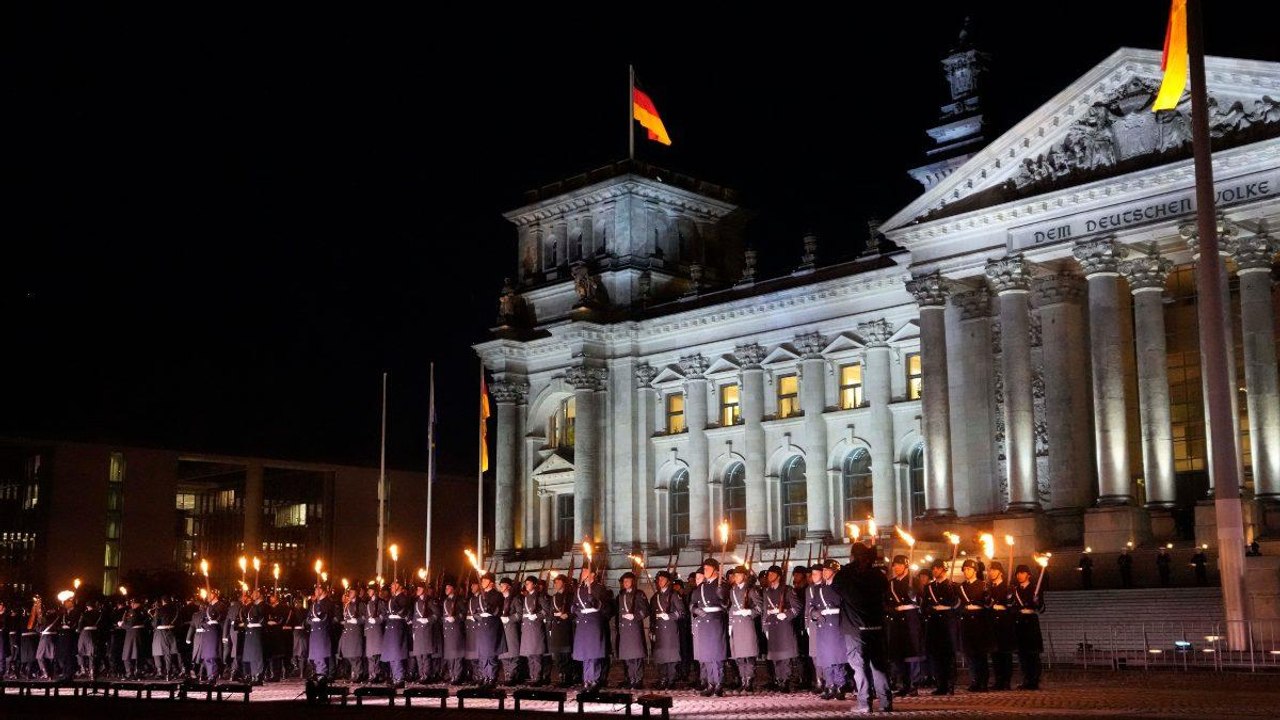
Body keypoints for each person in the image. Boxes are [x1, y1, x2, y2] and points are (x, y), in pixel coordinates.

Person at [834, 544, 893, 715]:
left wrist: (851, 565)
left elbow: (835, 585)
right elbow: (884, 589)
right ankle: (885, 701)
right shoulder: (877, 575)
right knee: (879, 665)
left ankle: (864, 701)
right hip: (876, 626)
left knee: (859, 666)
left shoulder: (847, 575)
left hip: (855, 628)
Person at [884, 554, 925, 697]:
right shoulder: (891, 583)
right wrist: (892, 609)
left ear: (906, 566)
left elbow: (921, 601)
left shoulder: (915, 582)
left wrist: (914, 598)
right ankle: (905, 684)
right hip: (896, 621)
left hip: (911, 620)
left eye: (899, 565)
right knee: (899, 654)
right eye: (894, 565)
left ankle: (914, 684)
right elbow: (886, 603)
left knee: (913, 653)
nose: (896, 568)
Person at [689, 558, 729, 697]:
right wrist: (697, 611)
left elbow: (726, 606)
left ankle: (719, 684)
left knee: (716, 656)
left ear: (715, 569)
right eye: (704, 568)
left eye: (707, 568)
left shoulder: (722, 585)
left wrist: (722, 595)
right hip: (703, 625)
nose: (705, 571)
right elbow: (692, 603)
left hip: (715, 623)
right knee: (706, 656)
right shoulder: (701, 587)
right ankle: (710, 683)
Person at [809, 559, 847, 701]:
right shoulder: (819, 589)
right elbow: (812, 606)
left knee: (837, 658)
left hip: (836, 624)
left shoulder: (840, 588)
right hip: (823, 626)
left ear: (834, 571)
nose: (824, 573)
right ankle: (829, 685)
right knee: (825, 658)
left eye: (827, 570)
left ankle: (840, 685)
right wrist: (815, 614)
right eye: (823, 570)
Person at [571, 564, 612, 691]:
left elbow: (607, 608)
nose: (583, 573)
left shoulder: (600, 588)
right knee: (585, 654)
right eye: (582, 570)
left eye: (585, 571)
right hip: (583, 622)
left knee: (594, 653)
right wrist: (576, 611)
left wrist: (596, 603)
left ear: (593, 574)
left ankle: (594, 679)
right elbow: (574, 605)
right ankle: (586, 680)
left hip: (594, 622)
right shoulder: (579, 589)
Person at [760, 565, 799, 692]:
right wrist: (765, 626)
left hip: (784, 626)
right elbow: (765, 610)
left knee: (785, 656)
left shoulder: (787, 590)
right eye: (768, 574)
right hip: (772, 625)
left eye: (772, 574)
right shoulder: (766, 591)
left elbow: (797, 607)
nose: (769, 576)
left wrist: (786, 614)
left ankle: (786, 680)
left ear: (778, 576)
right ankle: (779, 680)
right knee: (775, 655)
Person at [923, 559, 958, 696]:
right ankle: (940, 684)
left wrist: (948, 603)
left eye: (938, 568)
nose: (935, 571)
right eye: (934, 568)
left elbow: (956, 605)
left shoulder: (953, 586)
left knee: (948, 656)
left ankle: (950, 684)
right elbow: (924, 605)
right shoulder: (929, 587)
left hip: (947, 624)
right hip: (934, 624)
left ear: (944, 569)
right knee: (936, 656)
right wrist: (929, 610)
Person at [957, 558, 992, 692]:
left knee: (980, 654)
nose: (967, 571)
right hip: (967, 622)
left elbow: (988, 605)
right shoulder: (961, 587)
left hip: (980, 622)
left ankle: (983, 681)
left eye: (969, 569)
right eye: (965, 569)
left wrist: (987, 597)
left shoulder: (983, 585)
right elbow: (959, 604)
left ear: (975, 571)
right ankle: (974, 681)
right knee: (970, 654)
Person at [725, 564, 760, 692]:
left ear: (745, 576)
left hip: (747, 624)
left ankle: (749, 680)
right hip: (736, 625)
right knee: (739, 655)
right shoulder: (732, 590)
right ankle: (743, 679)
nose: (736, 577)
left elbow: (760, 607)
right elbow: (732, 608)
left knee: (749, 655)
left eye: (739, 574)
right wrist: (730, 624)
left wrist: (750, 612)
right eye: (735, 575)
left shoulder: (751, 590)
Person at [649, 570, 685, 690]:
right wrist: (652, 630)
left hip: (670, 630)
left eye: (663, 579)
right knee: (661, 656)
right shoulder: (655, 597)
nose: (660, 581)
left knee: (671, 656)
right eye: (659, 580)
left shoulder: (674, 595)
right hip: (659, 630)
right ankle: (663, 678)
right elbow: (653, 616)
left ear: (668, 581)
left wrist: (670, 616)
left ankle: (671, 679)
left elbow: (681, 612)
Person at [1012, 564, 1045, 690]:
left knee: (1033, 653)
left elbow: (1041, 609)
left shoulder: (1035, 589)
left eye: (1022, 573)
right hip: (1019, 622)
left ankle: (1034, 680)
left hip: (1031, 622)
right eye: (1018, 573)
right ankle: (1026, 679)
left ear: (1028, 575)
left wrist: (1037, 602)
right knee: (1022, 654)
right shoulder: (1015, 590)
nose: (1019, 575)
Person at [986, 562, 1017, 691]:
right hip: (993, 621)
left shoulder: (1008, 587)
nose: (991, 572)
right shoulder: (988, 587)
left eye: (994, 570)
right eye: (990, 570)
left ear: (1000, 572)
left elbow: (1011, 606)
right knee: (995, 653)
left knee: (1005, 653)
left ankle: (1006, 681)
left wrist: (1009, 597)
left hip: (1005, 622)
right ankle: (998, 680)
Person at [469, 573, 504, 688]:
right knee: (482, 654)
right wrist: (478, 615)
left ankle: (492, 677)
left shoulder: (497, 595)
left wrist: (488, 610)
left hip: (491, 627)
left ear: (491, 582)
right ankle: (485, 676)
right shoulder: (479, 596)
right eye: (482, 580)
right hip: (481, 627)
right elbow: (475, 612)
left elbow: (497, 610)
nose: (482, 583)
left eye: (485, 580)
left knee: (491, 654)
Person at [615, 571, 648, 689]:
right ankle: (631, 678)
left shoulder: (639, 594)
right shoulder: (621, 595)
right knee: (628, 656)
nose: (625, 583)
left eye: (628, 581)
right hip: (624, 629)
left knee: (637, 656)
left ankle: (638, 679)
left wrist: (635, 616)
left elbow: (645, 610)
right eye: (624, 581)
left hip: (634, 628)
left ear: (633, 582)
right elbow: (619, 612)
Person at [518, 576, 549, 686]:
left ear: (534, 584)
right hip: (527, 628)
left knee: (536, 654)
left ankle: (537, 677)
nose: (526, 585)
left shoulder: (539, 596)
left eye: (529, 583)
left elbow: (546, 611)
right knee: (529, 654)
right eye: (526, 583)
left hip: (535, 628)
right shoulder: (526, 597)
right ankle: (532, 676)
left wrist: (536, 616)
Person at [383, 579, 412, 686]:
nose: (391, 587)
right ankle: (394, 676)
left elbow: (404, 612)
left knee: (397, 653)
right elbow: (387, 612)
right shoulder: (393, 598)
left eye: (393, 585)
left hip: (398, 627)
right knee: (391, 654)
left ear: (399, 586)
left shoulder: (402, 598)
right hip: (391, 627)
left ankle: (399, 677)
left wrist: (397, 612)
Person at [439, 578, 467, 684]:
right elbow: (443, 615)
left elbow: (464, 614)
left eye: (448, 587)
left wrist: (456, 617)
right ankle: (452, 675)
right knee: (450, 655)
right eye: (446, 587)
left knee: (457, 654)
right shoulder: (446, 601)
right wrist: (445, 620)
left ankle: (457, 675)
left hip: (456, 630)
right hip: (447, 631)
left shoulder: (459, 600)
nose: (446, 589)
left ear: (453, 589)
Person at [411, 581, 439, 683]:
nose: (417, 590)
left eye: (419, 588)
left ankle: (426, 675)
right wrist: (413, 631)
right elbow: (414, 617)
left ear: (424, 590)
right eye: (417, 588)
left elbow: (436, 614)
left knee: (426, 655)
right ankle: (421, 674)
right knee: (418, 655)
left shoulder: (430, 601)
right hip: (418, 631)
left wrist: (428, 620)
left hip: (426, 631)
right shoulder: (417, 602)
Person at [497, 578, 523, 685]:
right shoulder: (499, 599)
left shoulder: (515, 599)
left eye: (503, 585)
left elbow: (520, 614)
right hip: (501, 628)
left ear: (509, 587)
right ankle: (507, 674)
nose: (501, 587)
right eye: (501, 585)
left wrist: (510, 619)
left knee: (513, 653)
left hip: (511, 629)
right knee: (503, 654)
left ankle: (512, 675)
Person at [307, 584, 335, 679]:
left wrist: (319, 620)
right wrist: (312, 621)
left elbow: (327, 617)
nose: (315, 592)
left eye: (317, 590)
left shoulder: (328, 603)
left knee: (321, 655)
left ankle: (322, 674)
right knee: (315, 656)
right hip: (314, 631)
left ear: (321, 591)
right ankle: (318, 673)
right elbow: (308, 618)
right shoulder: (314, 603)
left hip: (322, 631)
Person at [152, 596, 182, 680]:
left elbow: (155, 624)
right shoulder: (175, 609)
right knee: (168, 653)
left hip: (161, 633)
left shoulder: (159, 609)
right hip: (171, 632)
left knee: (156, 651)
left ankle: (160, 671)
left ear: (162, 601)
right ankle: (169, 673)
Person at [338, 588, 365, 680]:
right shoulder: (347, 605)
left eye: (352, 592)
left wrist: (357, 621)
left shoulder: (360, 604)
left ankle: (358, 674)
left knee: (356, 655)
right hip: (348, 631)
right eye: (349, 592)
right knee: (348, 654)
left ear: (356, 593)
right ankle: (354, 673)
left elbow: (364, 618)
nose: (350, 593)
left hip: (355, 631)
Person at [120, 596, 150, 679]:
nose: (131, 605)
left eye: (132, 603)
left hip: (133, 634)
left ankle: (130, 673)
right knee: (139, 654)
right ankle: (139, 672)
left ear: (134, 603)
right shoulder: (144, 610)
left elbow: (129, 624)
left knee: (127, 654)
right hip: (142, 634)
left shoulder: (132, 611)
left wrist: (121, 624)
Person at [242, 589, 267, 683]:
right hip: (250, 631)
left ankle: (258, 675)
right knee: (251, 654)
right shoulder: (252, 606)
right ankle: (253, 674)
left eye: (253, 593)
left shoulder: (262, 606)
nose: (251, 595)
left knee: (257, 654)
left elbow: (262, 617)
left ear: (259, 594)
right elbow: (246, 617)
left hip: (257, 631)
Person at [362, 584, 386, 681]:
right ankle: (371, 674)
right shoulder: (368, 603)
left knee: (376, 655)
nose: (368, 592)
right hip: (370, 631)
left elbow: (383, 616)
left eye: (370, 590)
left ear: (374, 591)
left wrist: (376, 620)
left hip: (376, 631)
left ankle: (377, 673)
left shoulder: (380, 602)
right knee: (370, 655)